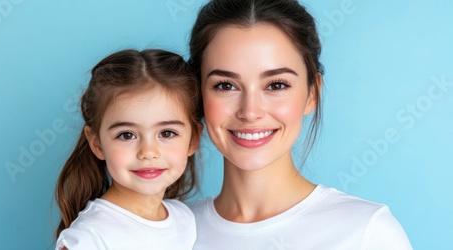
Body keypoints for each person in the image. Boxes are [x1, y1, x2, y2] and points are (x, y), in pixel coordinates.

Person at [188, 0, 412, 249]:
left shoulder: (367, 233)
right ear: (197, 95)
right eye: (225, 85)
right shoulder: (172, 233)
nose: (250, 112)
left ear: (312, 94)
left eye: (276, 85)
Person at [54, 49, 202, 250]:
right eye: (127, 135)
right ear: (97, 144)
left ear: (193, 139)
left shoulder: (184, 219)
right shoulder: (89, 238)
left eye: (166, 133)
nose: (148, 152)